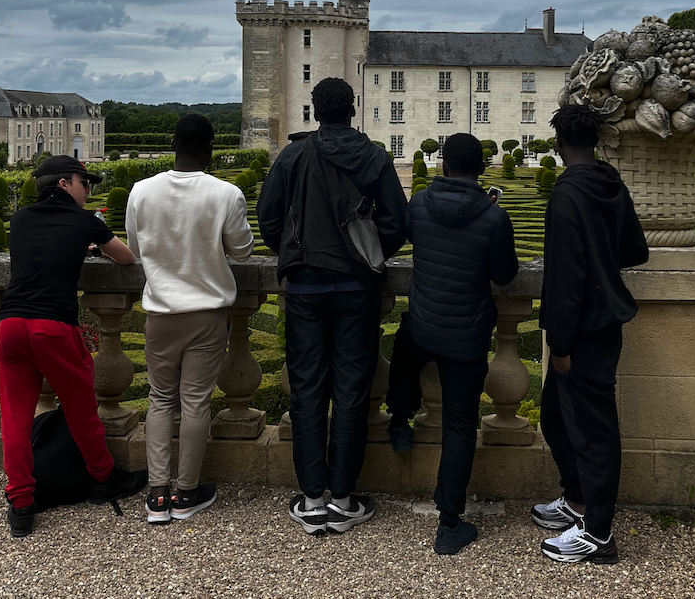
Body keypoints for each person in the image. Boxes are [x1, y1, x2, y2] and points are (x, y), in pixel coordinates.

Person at [256, 77, 407, 536]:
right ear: (353, 108)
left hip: (305, 285)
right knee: (352, 390)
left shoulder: (293, 154)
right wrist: (370, 252)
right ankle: (342, 498)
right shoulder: (375, 155)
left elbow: (268, 217)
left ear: (315, 109)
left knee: (307, 388)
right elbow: (397, 222)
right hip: (356, 285)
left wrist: (293, 252)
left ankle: (312, 498)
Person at [0, 155, 145, 538]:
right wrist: (92, 244)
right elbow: (127, 258)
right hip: (52, 328)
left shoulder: (21, 218)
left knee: (14, 417)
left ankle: (22, 501)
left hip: (11, 325)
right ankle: (104, 477)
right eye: (84, 182)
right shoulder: (85, 221)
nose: (88, 189)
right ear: (64, 184)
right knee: (81, 409)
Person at [385, 133, 518, 555]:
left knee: (405, 349)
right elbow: (504, 275)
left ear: (442, 164)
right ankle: (449, 523)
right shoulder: (494, 218)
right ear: (481, 170)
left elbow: (409, 238)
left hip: (425, 325)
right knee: (460, 427)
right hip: (466, 338)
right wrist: (491, 221)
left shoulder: (420, 203)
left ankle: (400, 420)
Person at [126, 114, 255, 525]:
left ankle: (158, 495)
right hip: (206, 314)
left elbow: (135, 248)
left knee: (160, 400)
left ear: (173, 144)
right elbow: (243, 252)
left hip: (161, 313)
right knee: (195, 402)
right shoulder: (226, 193)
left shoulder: (141, 191)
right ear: (209, 149)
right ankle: (186, 493)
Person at [534, 104, 648, 564]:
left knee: (592, 431)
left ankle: (598, 534)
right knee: (556, 418)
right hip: (605, 321)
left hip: (581, 331)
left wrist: (560, 345)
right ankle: (578, 500)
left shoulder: (567, 195)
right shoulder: (610, 184)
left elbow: (564, 279)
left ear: (559, 143)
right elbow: (636, 250)